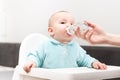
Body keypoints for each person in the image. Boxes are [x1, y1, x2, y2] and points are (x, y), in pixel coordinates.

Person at [23, 11, 107, 73]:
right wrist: (32, 62)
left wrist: (93, 63)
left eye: (72, 24)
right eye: (63, 22)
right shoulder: (45, 45)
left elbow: (85, 59)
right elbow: (35, 56)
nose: (69, 26)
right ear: (51, 30)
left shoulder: (75, 47)